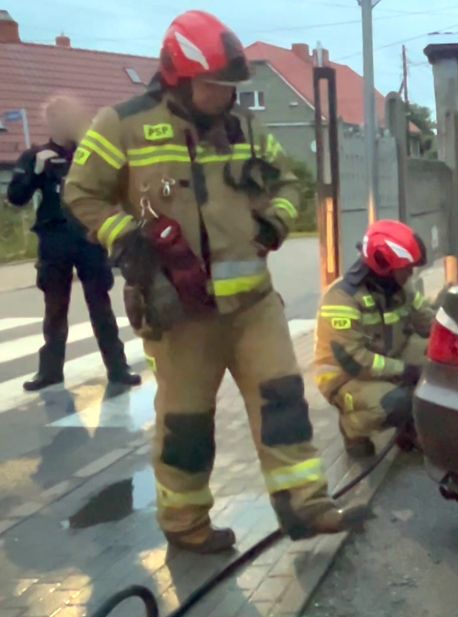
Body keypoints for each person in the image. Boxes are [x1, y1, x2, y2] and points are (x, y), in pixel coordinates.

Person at [63, 10, 370, 554]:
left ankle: (308, 508)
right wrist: (125, 237)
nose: (225, 95)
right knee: (186, 423)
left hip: (253, 306)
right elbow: (80, 193)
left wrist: (276, 220)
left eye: (231, 86)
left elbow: (288, 181)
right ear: (178, 77)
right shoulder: (122, 124)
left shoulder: (243, 128)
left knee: (283, 402)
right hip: (178, 311)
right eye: (214, 85)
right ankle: (186, 525)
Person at [5, 96, 141, 392]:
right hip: (54, 239)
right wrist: (35, 172)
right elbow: (15, 198)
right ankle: (50, 371)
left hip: (89, 238)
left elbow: (116, 188)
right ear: (51, 122)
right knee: (55, 307)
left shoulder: (90, 155)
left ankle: (118, 367)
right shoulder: (36, 156)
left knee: (100, 305)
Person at [314, 220, 433, 459]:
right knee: (398, 402)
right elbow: (354, 360)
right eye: (406, 268)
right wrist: (405, 370)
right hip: (346, 377)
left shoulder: (400, 288)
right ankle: (352, 427)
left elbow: (428, 322)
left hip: (387, 357)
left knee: (440, 362)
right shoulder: (342, 298)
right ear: (384, 267)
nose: (410, 273)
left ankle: (408, 427)